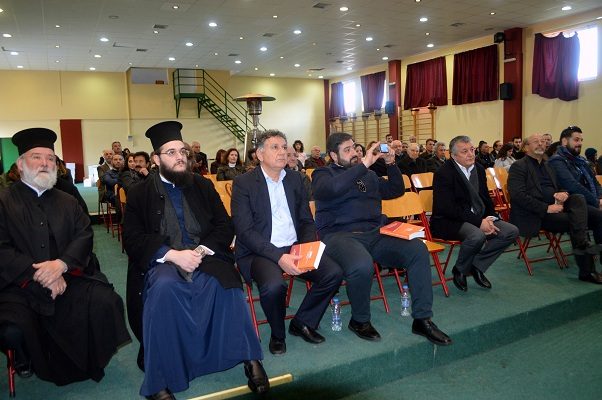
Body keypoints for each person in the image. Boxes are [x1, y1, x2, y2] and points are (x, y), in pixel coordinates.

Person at [122, 121, 268, 399]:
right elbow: (132, 238)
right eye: (171, 152)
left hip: (204, 254)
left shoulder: (201, 184)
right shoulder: (140, 193)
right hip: (164, 260)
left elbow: (224, 225)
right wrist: (173, 255)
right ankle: (160, 378)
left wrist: (200, 252)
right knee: (164, 289)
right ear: (156, 159)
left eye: (183, 151)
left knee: (227, 285)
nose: (180, 157)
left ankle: (251, 359)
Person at [0, 127, 130, 385]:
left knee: (106, 301)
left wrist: (61, 265)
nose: (45, 163)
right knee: (13, 325)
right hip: (19, 282)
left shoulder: (67, 200)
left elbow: (84, 235)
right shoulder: (3, 201)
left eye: (50, 158)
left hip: (69, 275)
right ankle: (25, 357)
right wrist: (40, 274)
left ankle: (87, 360)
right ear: (20, 164)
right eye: (37, 157)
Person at [311, 132, 452, 346]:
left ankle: (422, 319)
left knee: (417, 250)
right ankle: (359, 320)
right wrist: (364, 164)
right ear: (332, 155)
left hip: (375, 233)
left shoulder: (368, 175)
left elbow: (395, 190)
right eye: (347, 150)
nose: (354, 153)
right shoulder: (323, 174)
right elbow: (332, 189)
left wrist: (391, 164)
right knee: (361, 264)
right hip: (339, 236)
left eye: (353, 148)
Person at [232, 130, 343, 355]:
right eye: (275, 147)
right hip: (260, 251)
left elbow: (306, 220)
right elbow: (245, 232)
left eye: (284, 147)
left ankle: (303, 322)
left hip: (295, 246)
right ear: (259, 154)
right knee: (274, 286)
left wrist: (306, 249)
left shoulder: (295, 179)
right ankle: (277, 334)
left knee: (333, 273)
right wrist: (279, 257)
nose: (282, 152)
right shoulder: (244, 183)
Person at [508, 134, 602, 284]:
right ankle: (586, 270)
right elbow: (518, 196)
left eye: (542, 141)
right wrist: (546, 208)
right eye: (536, 142)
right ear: (525, 148)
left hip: (558, 205)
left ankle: (584, 246)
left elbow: (561, 186)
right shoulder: (518, 166)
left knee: (589, 208)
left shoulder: (548, 165)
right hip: (537, 213)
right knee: (576, 222)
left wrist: (563, 193)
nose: (541, 144)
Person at [431, 136, 519, 292]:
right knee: (477, 235)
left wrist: (490, 218)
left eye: (472, 150)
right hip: (449, 220)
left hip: (478, 216)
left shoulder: (478, 168)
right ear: (453, 155)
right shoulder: (444, 173)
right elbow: (448, 208)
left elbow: (485, 198)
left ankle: (477, 266)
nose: (470, 154)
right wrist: (479, 222)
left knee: (511, 231)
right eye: (464, 151)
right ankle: (460, 270)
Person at [548, 126, 602, 209]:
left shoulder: (581, 161)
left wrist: (600, 198)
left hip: (591, 202)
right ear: (565, 141)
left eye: (581, 140)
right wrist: (596, 202)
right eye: (576, 140)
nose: (580, 143)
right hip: (575, 205)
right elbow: (572, 185)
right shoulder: (557, 161)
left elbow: (594, 182)